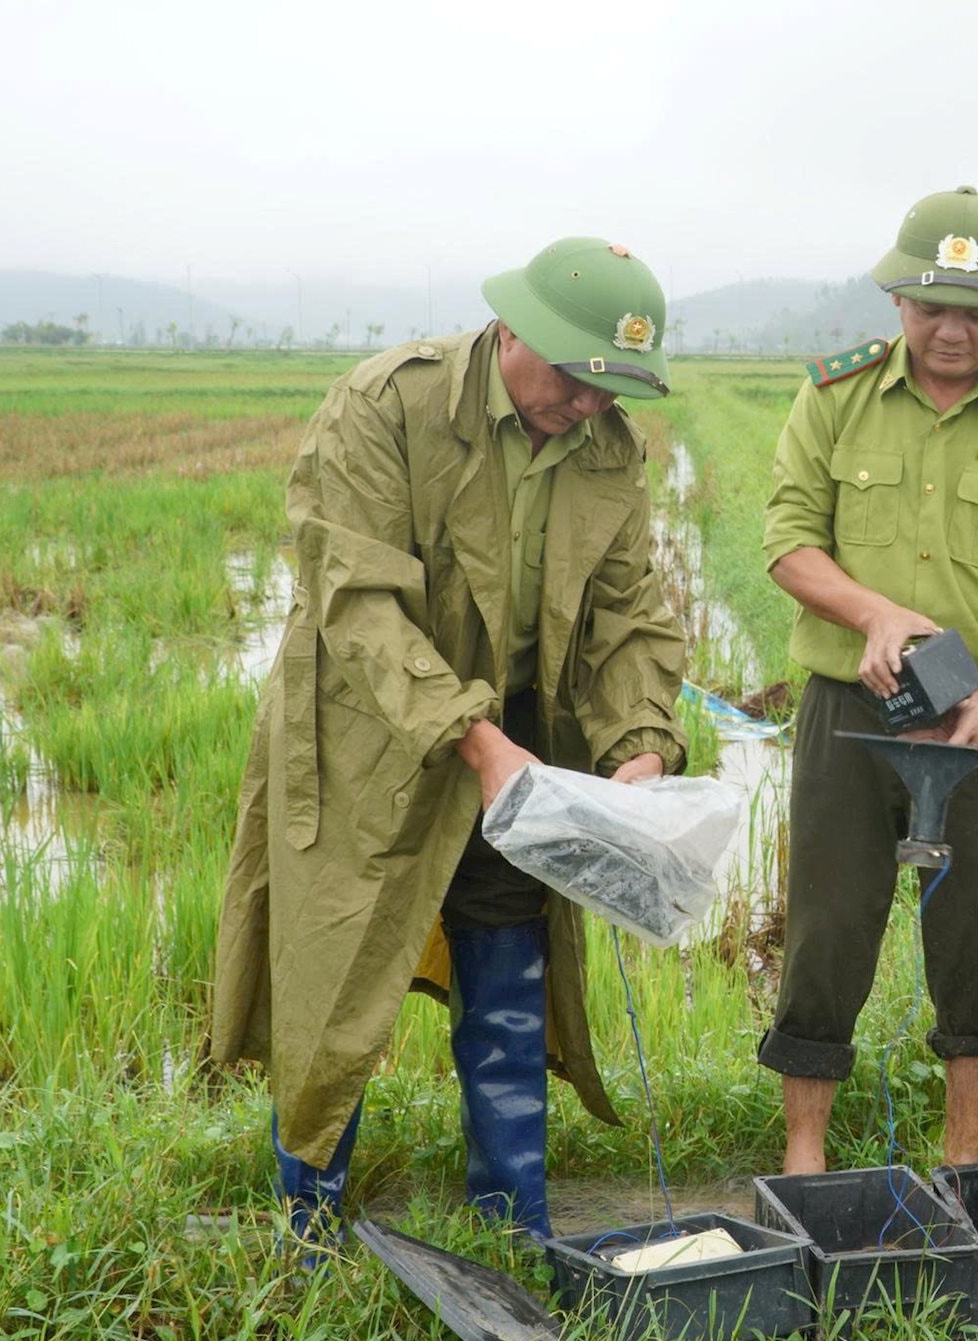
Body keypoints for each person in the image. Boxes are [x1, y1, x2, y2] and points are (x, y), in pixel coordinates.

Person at [208, 238, 689, 1248]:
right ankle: (309, 1216)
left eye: (613, 388)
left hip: (516, 734)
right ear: (510, 330)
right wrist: (471, 742)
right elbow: (360, 598)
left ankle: (515, 1218)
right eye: (574, 377)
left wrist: (639, 747)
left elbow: (630, 615)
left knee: (508, 954)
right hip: (366, 734)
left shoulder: (608, 446)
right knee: (333, 970)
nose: (588, 405)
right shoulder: (389, 404)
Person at [758, 186, 978, 1174]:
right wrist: (872, 614)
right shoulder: (833, 396)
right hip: (847, 711)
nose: (952, 331)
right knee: (827, 926)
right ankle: (805, 1158)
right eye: (930, 308)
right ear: (896, 303)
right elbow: (786, 541)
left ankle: (962, 1162)